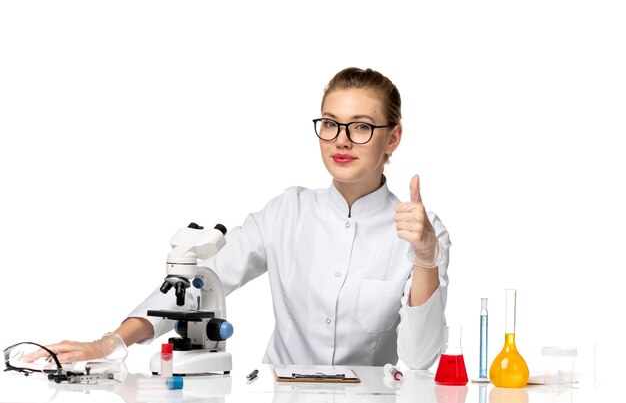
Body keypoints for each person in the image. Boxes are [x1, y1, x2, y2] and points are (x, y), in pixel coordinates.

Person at [26, 67, 451, 369]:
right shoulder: (287, 212)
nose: (341, 140)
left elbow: (419, 357)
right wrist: (111, 342)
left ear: (392, 137)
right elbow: (197, 284)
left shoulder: (422, 232)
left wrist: (425, 258)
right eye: (330, 124)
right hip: (280, 394)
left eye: (360, 127)